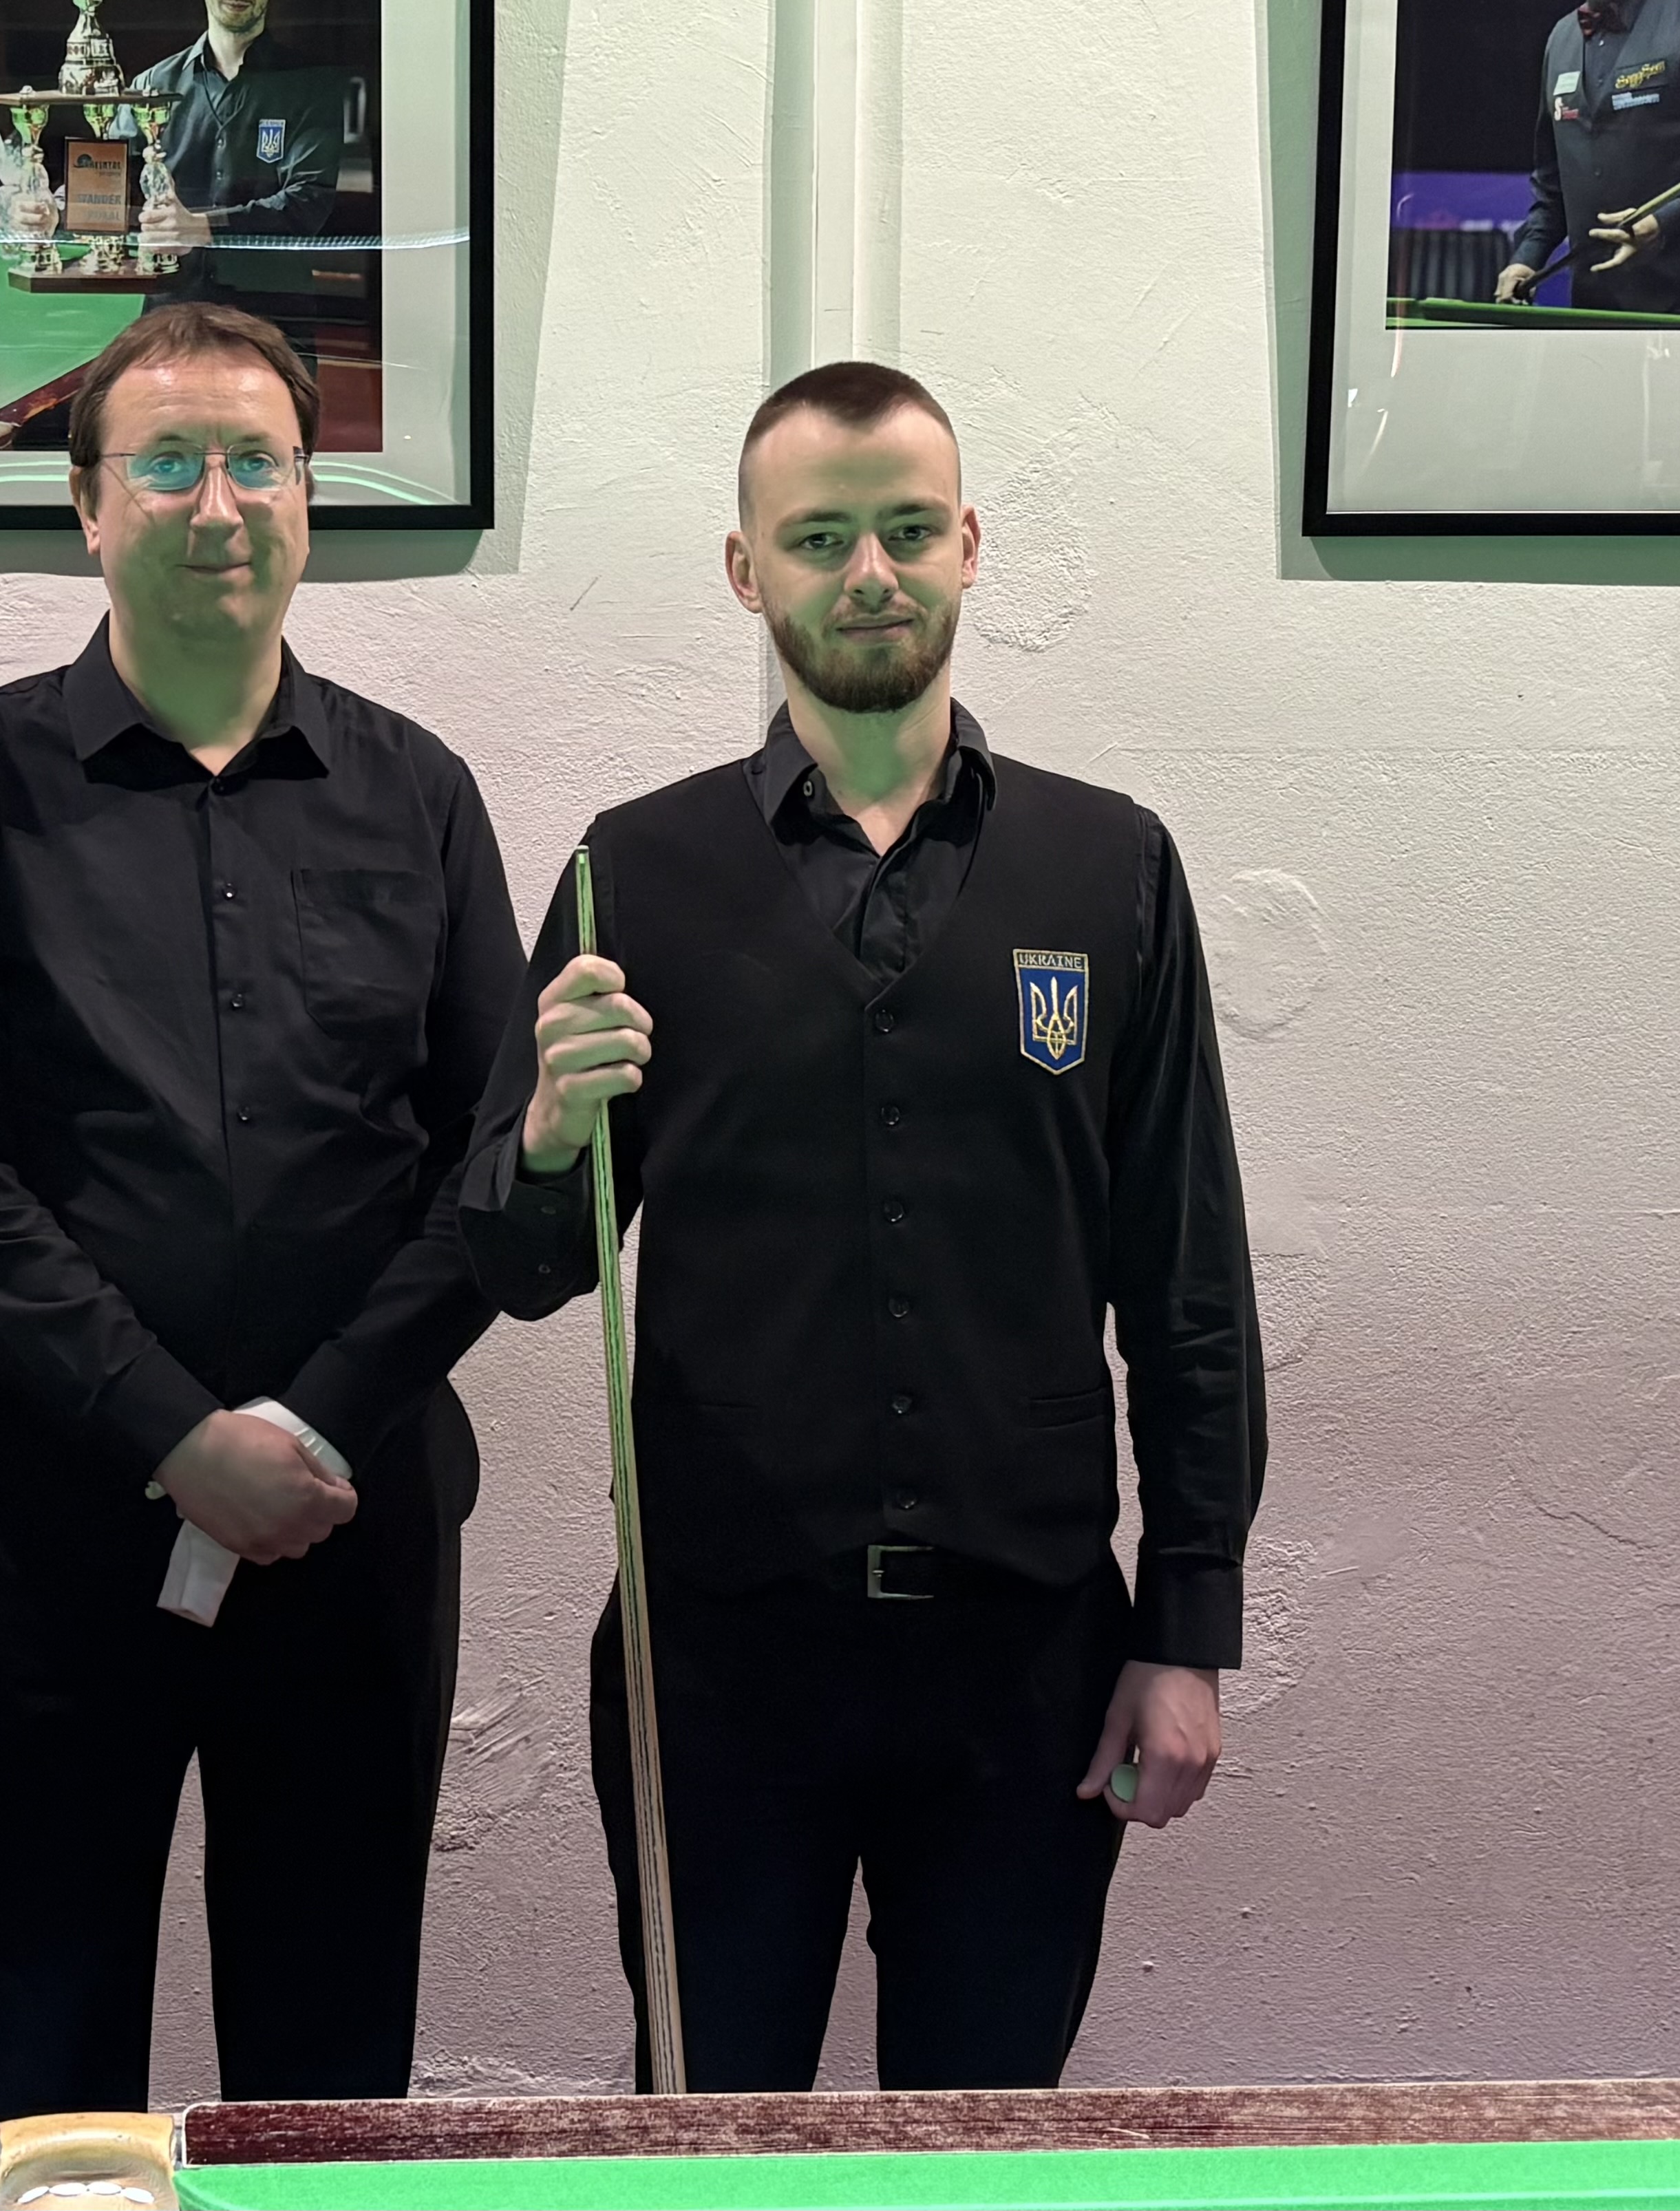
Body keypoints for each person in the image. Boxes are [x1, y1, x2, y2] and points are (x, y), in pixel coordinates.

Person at [459, 361, 1266, 2093]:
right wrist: (542, 1139)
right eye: (820, 538)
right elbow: (523, 1270)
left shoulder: (1112, 868)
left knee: (984, 2153)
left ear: (969, 544)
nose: (871, 572)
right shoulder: (628, 871)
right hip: (717, 1663)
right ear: (746, 570)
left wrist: (1187, 1625)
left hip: (1027, 1657)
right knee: (708, 2141)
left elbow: (1186, 1278)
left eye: (906, 529)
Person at [0, 302, 518, 2120]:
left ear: (310, 499)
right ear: (85, 504)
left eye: (256, 461)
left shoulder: (421, 792)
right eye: (166, 462)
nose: (216, 502)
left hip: (348, 1523)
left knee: (326, 2070)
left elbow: (490, 1160)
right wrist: (175, 1433)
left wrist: (311, 1422)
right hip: (38, 1535)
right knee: (25, 2063)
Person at [1493, 0, 1680, 318]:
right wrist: (1527, 257)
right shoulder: (1562, 38)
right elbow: (1554, 180)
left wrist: (1662, 222)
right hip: (1594, 302)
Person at [116, 0, 351, 360]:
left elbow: (308, 201)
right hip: (171, 316)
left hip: (273, 316)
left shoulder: (312, 84)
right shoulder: (152, 85)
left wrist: (204, 227)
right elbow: (111, 183)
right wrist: (57, 207)